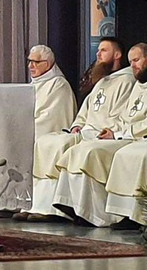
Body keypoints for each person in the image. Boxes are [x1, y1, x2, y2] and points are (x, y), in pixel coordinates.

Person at [14, 38, 134, 221]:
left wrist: (110, 130)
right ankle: (41, 204)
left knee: (66, 147)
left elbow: (123, 114)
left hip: (100, 133)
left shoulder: (127, 81)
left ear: (117, 55)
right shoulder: (102, 82)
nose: (98, 54)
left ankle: (57, 210)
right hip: (85, 131)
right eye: (98, 50)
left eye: (103, 50)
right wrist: (78, 125)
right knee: (48, 142)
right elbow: (85, 110)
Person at [51, 43, 147, 227]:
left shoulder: (127, 82)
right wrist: (114, 131)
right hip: (123, 135)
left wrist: (119, 133)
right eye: (131, 61)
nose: (133, 65)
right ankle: (76, 206)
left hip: (134, 137)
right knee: (78, 150)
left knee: (113, 154)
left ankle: (127, 215)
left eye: (136, 60)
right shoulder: (136, 86)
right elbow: (125, 115)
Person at [28, 45, 77, 139]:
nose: (30, 66)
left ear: (46, 65)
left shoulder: (59, 85)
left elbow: (51, 120)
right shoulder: (33, 85)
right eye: (30, 61)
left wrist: (25, 128)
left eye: (35, 62)